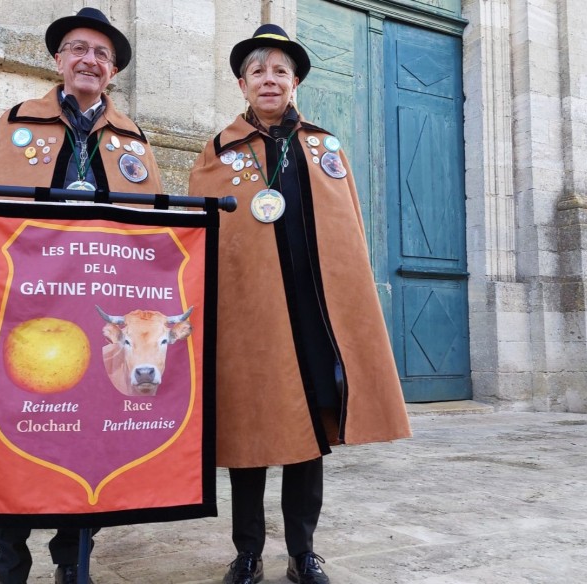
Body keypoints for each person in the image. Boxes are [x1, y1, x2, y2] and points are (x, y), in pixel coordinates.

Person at [0, 7, 163, 584]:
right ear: (58, 59)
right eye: (79, 49)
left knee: (89, 434)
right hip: (26, 311)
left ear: (113, 71)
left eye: (102, 55)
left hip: (98, 312)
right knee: (18, 427)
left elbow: (152, 235)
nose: (90, 60)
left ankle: (71, 555)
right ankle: (12, 559)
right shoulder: (19, 123)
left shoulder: (131, 138)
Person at [188, 24, 411, 584]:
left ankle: (302, 551)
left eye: (280, 71)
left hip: (312, 311)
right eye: (258, 71)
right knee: (249, 433)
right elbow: (200, 238)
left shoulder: (324, 146)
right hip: (248, 317)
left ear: (295, 82)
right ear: (243, 84)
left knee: (308, 434)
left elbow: (348, 234)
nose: (270, 79)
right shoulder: (218, 152)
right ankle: (247, 553)